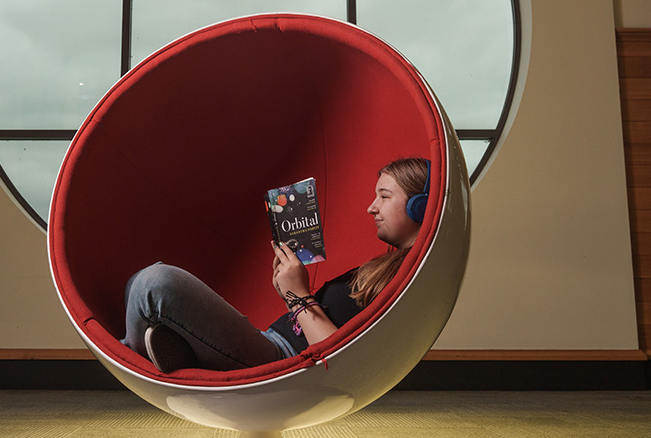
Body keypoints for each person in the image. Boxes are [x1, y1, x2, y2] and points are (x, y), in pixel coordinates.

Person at [121, 157, 431, 372]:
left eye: (384, 196)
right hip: (269, 341)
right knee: (137, 282)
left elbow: (341, 361)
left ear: (420, 206)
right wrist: (289, 292)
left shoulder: (409, 280)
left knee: (155, 282)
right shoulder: (389, 266)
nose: (371, 207)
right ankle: (173, 349)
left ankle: (135, 357)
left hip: (280, 358)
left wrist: (298, 296)